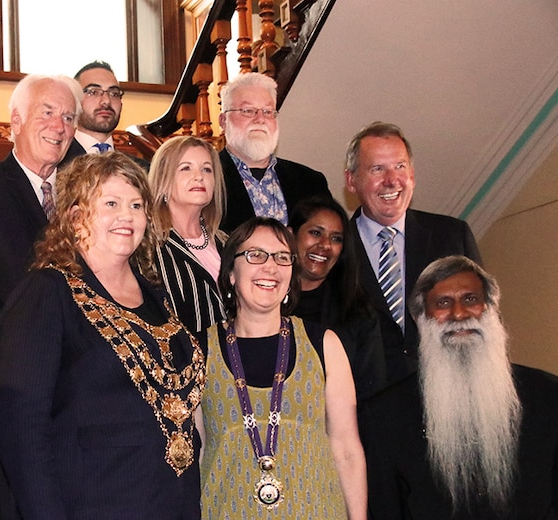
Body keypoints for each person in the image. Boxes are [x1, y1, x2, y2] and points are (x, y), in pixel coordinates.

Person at [0, 152, 205, 520]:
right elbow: (20, 423)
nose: (126, 215)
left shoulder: (159, 299)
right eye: (110, 203)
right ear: (75, 216)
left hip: (166, 519)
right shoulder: (47, 293)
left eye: (136, 205)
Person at [362, 256, 558, 520]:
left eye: (470, 299)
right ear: (421, 318)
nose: (458, 314)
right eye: (443, 303)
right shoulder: (384, 416)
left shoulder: (551, 396)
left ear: (491, 309)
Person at [192, 216, 373, 520]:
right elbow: (194, 454)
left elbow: (348, 451)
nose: (270, 267)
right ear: (231, 272)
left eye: (282, 257)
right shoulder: (197, 350)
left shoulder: (325, 344)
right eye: (256, 255)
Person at [0, 73, 81, 362]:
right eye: (47, 113)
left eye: (68, 118)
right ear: (16, 120)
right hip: (11, 361)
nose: (59, 127)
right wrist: (25, 346)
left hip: (82, 366)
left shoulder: (84, 195)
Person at [345, 121, 482, 395]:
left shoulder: (453, 236)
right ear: (351, 181)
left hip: (450, 402)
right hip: (370, 415)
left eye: (400, 166)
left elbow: (483, 324)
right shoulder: (333, 253)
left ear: (412, 175)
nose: (392, 180)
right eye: (377, 169)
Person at [290, 195, 385, 400]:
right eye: (316, 233)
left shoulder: (358, 312)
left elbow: (373, 395)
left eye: (336, 239)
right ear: (291, 236)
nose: (325, 245)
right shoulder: (263, 302)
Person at [218, 72, 330, 233]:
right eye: (248, 110)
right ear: (223, 121)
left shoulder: (311, 182)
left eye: (268, 111)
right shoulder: (205, 180)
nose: (260, 119)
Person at [150, 135, 227, 335]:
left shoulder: (226, 242)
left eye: (206, 169)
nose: (199, 176)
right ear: (163, 179)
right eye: (186, 168)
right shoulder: (148, 246)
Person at [61, 60, 149, 168]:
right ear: (74, 101)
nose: (106, 101)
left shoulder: (141, 170)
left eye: (114, 93)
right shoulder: (55, 163)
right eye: (93, 92)